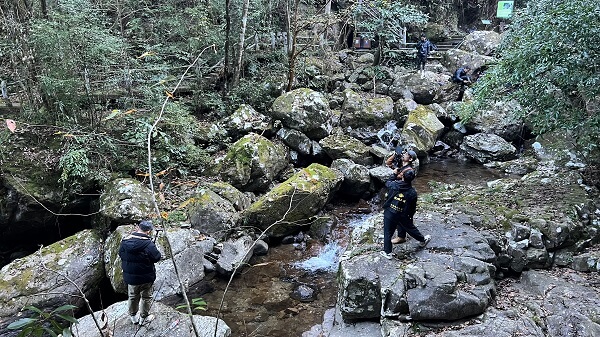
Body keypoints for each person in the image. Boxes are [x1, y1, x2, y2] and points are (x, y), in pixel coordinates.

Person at [380, 162, 430, 259]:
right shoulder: (412, 192)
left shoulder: (394, 185)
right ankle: (422, 240)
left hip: (390, 211)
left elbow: (387, 182)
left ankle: (387, 252)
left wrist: (394, 174)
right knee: (410, 228)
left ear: (402, 177)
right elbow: (412, 207)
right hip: (403, 214)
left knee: (387, 232)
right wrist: (410, 215)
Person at [119, 220, 162, 325]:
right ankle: (144, 318)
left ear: (138, 227)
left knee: (133, 296)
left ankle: (133, 317)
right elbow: (157, 257)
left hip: (131, 278)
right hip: (146, 277)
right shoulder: (148, 244)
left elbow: (121, 254)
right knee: (146, 297)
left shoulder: (125, 242)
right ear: (148, 231)